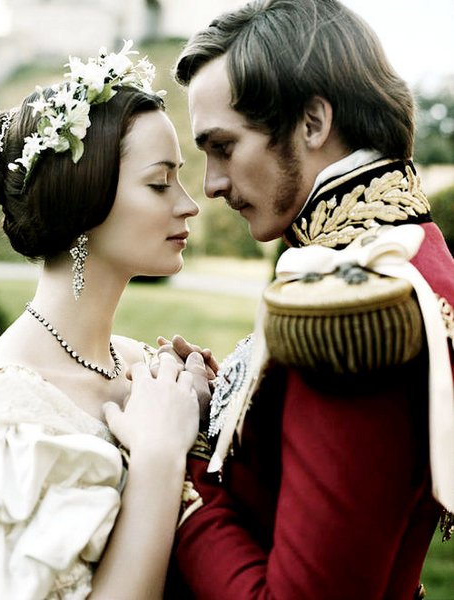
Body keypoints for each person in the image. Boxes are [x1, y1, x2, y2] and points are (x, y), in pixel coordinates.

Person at [162, 1, 454, 598]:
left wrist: (181, 455)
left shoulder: (356, 301)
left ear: (313, 123)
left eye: (223, 147)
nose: (212, 184)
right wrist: (228, 402)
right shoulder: (411, 250)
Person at [0, 40, 210, 600]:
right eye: (159, 183)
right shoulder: (7, 423)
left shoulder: (143, 364)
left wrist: (202, 416)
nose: (188, 204)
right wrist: (159, 454)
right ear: (84, 204)